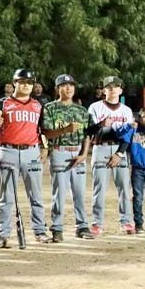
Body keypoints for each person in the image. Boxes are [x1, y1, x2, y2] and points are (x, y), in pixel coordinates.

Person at [0, 69, 53, 248]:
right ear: (14, 83)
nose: (26, 85)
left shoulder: (38, 105)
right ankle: (3, 235)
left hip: (31, 152)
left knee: (36, 195)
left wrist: (45, 148)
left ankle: (39, 231)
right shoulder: (0, 104)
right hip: (8, 150)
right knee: (6, 197)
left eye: (29, 82)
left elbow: (42, 130)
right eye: (22, 82)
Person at [42, 74, 95, 242]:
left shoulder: (81, 110)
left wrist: (84, 153)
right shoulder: (50, 108)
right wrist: (65, 129)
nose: (69, 88)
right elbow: (47, 133)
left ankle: (82, 226)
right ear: (58, 89)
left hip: (77, 152)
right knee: (59, 193)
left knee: (79, 193)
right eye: (64, 85)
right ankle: (57, 228)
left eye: (71, 85)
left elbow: (87, 134)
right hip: (60, 151)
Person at [87, 76, 136, 237]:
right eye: (109, 87)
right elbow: (90, 131)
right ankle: (97, 223)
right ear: (104, 90)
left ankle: (126, 221)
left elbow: (127, 135)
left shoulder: (126, 110)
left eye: (116, 86)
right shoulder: (95, 107)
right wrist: (101, 126)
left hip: (118, 149)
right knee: (99, 188)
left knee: (124, 188)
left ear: (121, 90)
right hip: (100, 148)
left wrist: (119, 154)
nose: (113, 89)